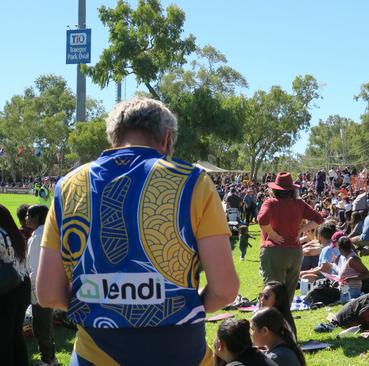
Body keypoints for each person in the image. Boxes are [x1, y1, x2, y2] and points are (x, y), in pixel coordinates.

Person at [36, 97, 239, 365]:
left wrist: (96, 301)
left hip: (94, 352)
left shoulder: (69, 186)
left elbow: (48, 292)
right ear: (166, 139)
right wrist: (186, 305)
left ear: (114, 139)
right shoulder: (194, 181)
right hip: (180, 351)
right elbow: (225, 289)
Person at [258, 172, 324, 304]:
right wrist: (301, 230)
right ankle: (285, 322)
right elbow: (319, 219)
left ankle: (269, 321)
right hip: (295, 253)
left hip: (274, 251)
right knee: (287, 296)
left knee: (272, 292)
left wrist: (273, 235)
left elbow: (262, 220)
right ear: (292, 190)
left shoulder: (271, 202)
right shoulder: (299, 203)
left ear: (274, 189)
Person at [25, 204, 57, 365]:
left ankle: (47, 360)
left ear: (36, 217)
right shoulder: (46, 232)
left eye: (28, 215)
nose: (25, 218)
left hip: (39, 287)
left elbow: (36, 268)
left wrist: (31, 289)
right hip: (48, 285)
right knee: (46, 325)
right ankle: (51, 357)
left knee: (41, 326)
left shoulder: (38, 236)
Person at [0, 204, 31, 366]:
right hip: (22, 284)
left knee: (4, 337)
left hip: (6, 289)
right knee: (15, 334)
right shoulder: (15, 234)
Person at [325, 236, 369, 302]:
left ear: (340, 249)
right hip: (344, 289)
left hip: (352, 291)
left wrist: (350, 279)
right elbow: (344, 273)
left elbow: (367, 274)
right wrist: (338, 281)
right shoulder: (344, 257)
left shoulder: (353, 259)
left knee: (325, 297)